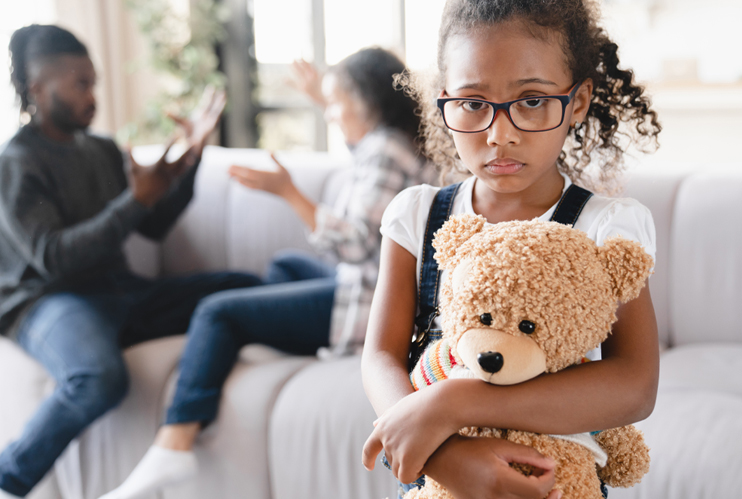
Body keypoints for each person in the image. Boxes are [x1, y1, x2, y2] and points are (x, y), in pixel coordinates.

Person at [98, 47, 433, 499]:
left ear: (365, 103)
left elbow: (356, 242)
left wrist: (289, 193)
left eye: (337, 105)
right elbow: (363, 152)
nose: (331, 117)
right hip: (362, 287)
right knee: (282, 267)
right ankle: (246, 327)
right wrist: (323, 96)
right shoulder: (395, 142)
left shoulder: (385, 151)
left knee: (219, 312)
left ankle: (173, 444)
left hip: (365, 301)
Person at [360, 1, 662, 498]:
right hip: (439, 478)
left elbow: (635, 385)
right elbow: (380, 359)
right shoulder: (417, 217)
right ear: (444, 103)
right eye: (474, 103)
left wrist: (454, 404)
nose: (500, 135)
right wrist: (447, 457)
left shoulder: (607, 227)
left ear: (578, 102)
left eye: (532, 101)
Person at [0, 25, 263, 498]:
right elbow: (52, 257)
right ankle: (8, 479)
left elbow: (152, 225)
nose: (92, 95)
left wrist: (190, 161)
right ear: (40, 87)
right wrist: (134, 202)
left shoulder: (100, 150)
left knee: (243, 286)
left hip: (119, 292)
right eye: (80, 83)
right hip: (47, 301)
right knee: (98, 378)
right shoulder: (16, 163)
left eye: (93, 81)